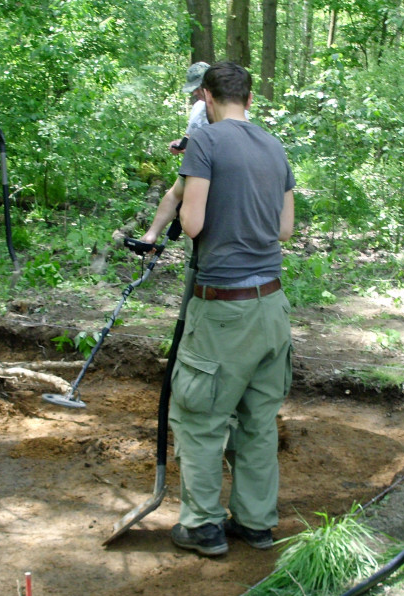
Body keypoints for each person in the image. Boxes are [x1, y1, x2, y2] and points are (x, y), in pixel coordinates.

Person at [151, 61, 295, 557]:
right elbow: (284, 230)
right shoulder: (275, 146)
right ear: (249, 100)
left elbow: (191, 223)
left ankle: (203, 526)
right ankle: (256, 524)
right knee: (257, 420)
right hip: (272, 307)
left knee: (201, 418)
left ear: (207, 100)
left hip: (223, 309)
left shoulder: (206, 142)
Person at [142, 61, 210, 246]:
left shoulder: (227, 112)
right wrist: (180, 144)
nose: (195, 93)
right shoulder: (198, 108)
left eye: (198, 88)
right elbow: (190, 135)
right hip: (192, 174)